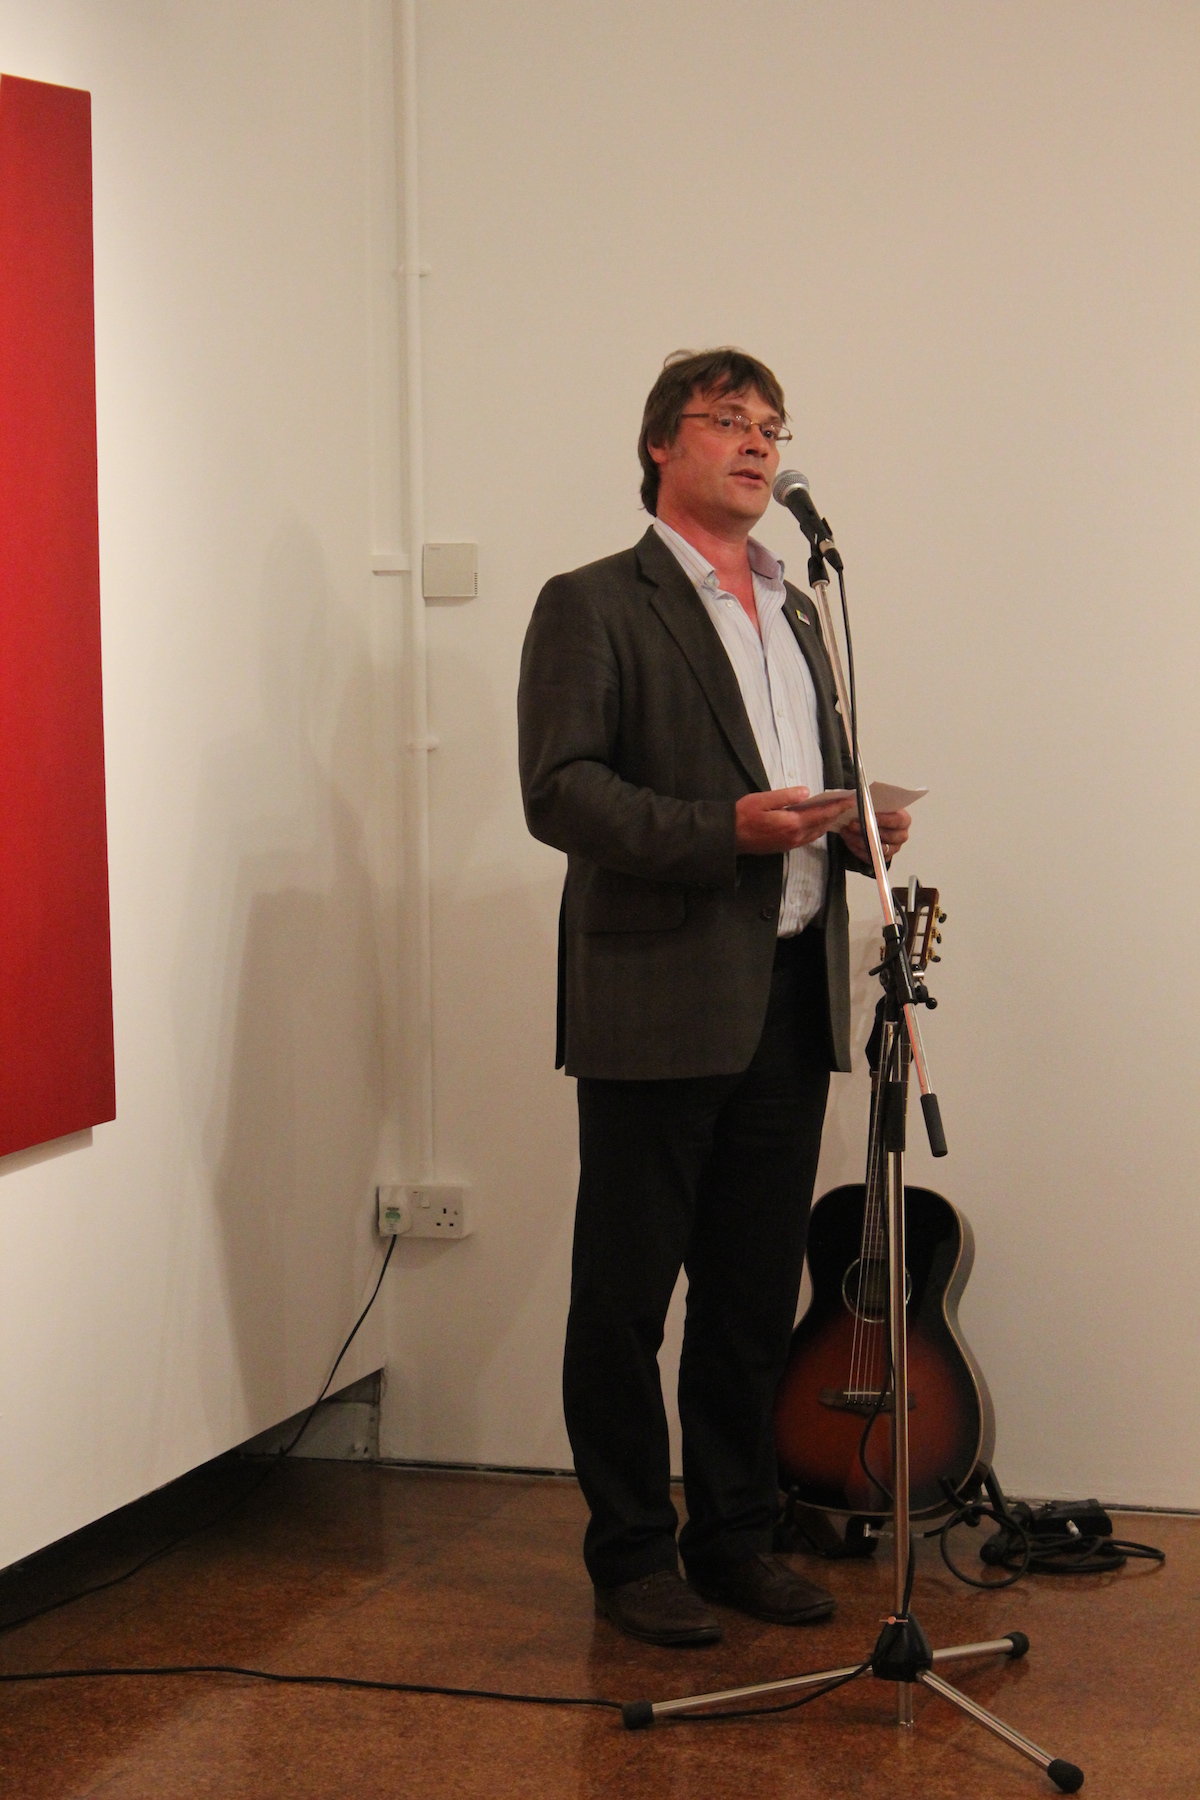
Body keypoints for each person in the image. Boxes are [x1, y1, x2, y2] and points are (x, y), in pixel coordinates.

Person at [517, 348, 911, 1647]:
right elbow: (560, 790)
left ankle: (734, 1537)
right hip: (657, 999)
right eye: (728, 420)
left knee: (749, 1299)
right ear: (660, 445)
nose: (756, 443)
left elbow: (805, 779)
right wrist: (720, 830)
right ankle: (633, 1555)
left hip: (788, 999)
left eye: (771, 427)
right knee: (626, 1302)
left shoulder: (799, 609)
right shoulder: (593, 602)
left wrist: (854, 828)